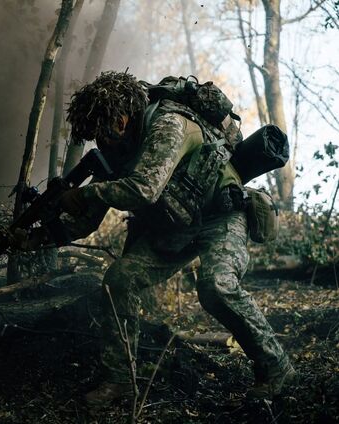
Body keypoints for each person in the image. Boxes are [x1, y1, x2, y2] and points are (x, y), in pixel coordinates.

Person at [18, 71, 296, 408]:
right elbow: (85, 222)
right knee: (119, 279)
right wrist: (37, 237)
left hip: (220, 214)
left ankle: (276, 367)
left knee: (216, 286)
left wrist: (86, 193)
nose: (100, 142)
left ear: (121, 120)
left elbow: (144, 189)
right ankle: (119, 379)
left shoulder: (168, 123)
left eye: (103, 132)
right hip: (175, 226)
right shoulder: (116, 151)